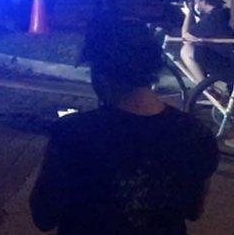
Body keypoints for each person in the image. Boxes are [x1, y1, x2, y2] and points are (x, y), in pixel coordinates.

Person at [30, 19, 218, 234]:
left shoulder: (73, 134)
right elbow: (193, 211)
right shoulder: (195, 134)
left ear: (101, 72)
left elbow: (43, 216)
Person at [179, 0, 234, 86]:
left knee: (186, 50)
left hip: (228, 64)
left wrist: (188, 13)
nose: (195, 5)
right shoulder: (224, 12)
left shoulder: (212, 18)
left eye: (196, 2)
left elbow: (185, 37)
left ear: (203, 2)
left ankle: (206, 88)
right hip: (228, 56)